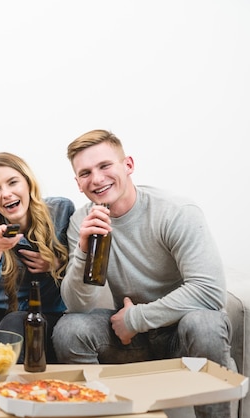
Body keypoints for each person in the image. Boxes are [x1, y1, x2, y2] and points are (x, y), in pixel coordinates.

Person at [53, 129, 234, 417]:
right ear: (78, 183)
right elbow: (77, 305)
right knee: (69, 330)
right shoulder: (83, 220)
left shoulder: (175, 211)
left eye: (105, 166)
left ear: (128, 165)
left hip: (179, 333)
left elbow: (209, 291)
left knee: (205, 323)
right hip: (128, 340)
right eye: (85, 173)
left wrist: (136, 319)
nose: (97, 179)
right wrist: (84, 251)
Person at [0, 152, 74, 363]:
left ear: (27, 183)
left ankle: (16, 393)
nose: (6, 194)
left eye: (12, 183)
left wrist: (56, 264)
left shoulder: (61, 211)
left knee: (14, 324)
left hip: (45, 317)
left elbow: (81, 265)